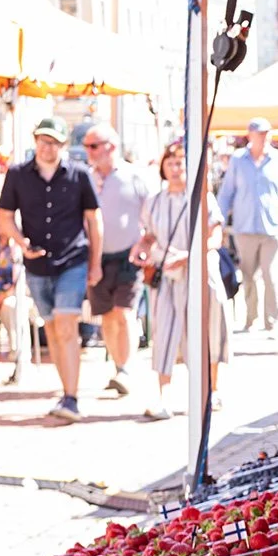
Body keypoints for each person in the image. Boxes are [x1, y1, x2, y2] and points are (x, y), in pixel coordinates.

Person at [0, 117, 101, 422]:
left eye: (53, 142)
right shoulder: (18, 174)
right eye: (43, 140)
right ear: (36, 140)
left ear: (63, 145)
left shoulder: (79, 174)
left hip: (73, 260)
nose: (47, 147)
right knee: (52, 328)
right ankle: (66, 392)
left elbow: (94, 221)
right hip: (37, 263)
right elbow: (5, 216)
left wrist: (95, 264)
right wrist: (21, 242)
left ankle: (72, 397)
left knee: (66, 325)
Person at [135, 142, 230, 417]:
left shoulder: (202, 198)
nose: (175, 169)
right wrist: (141, 248)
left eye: (180, 163)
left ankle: (210, 391)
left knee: (206, 330)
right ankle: (163, 396)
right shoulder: (154, 201)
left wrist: (189, 256)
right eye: (170, 163)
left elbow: (215, 237)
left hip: (200, 274)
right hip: (167, 275)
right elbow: (148, 235)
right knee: (164, 332)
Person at [80, 124, 155, 398]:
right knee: (108, 317)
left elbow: (152, 213)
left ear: (110, 146)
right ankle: (118, 365)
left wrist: (146, 243)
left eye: (93, 146)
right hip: (96, 257)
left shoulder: (134, 176)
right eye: (87, 146)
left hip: (128, 256)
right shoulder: (86, 178)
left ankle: (126, 369)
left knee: (124, 313)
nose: (88, 152)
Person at [214, 116, 278, 332]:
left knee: (271, 274)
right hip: (245, 227)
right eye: (260, 133)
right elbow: (227, 192)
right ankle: (251, 318)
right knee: (248, 275)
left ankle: (273, 321)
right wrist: (218, 222)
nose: (264, 137)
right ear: (250, 135)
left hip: (272, 226)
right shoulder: (239, 160)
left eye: (267, 133)